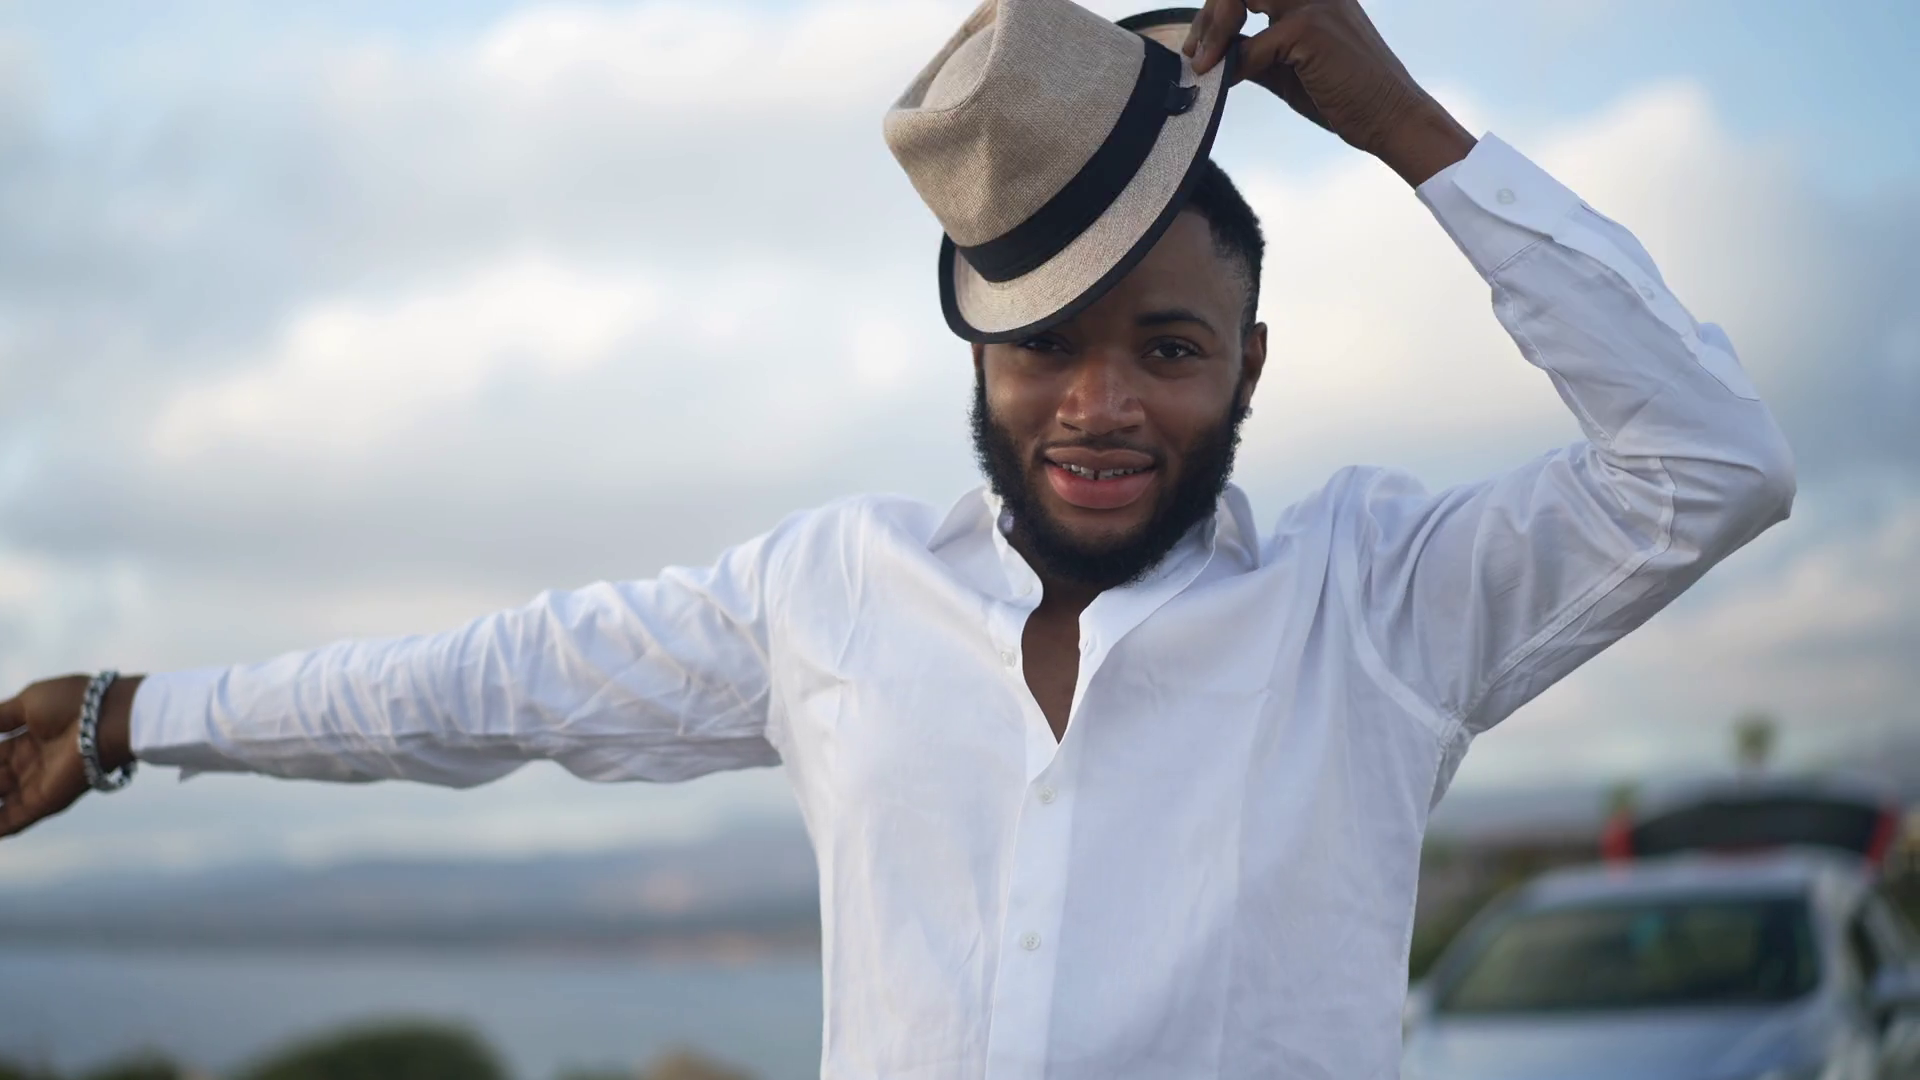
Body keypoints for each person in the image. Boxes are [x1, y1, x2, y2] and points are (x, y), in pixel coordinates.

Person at [0, 0, 1795, 1076]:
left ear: (1250, 363)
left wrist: (1408, 130)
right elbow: (481, 687)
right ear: (979, 354)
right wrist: (130, 715)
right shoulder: (835, 594)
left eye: (1169, 350)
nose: (1100, 403)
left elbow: (1710, 461)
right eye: (1046, 347)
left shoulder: (1382, 603)